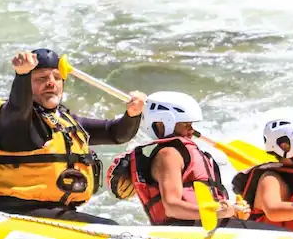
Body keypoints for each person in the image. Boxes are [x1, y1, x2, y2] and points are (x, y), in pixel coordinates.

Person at [0, 48, 146, 224]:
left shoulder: (63, 121)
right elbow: (18, 109)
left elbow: (115, 134)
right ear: (27, 86)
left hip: (55, 213)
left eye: (57, 78)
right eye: (41, 78)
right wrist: (21, 75)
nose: (51, 83)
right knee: (109, 228)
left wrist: (132, 114)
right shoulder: (12, 120)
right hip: (16, 212)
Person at [107, 91, 251, 227]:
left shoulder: (187, 153)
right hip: (186, 233)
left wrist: (234, 211)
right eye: (187, 125)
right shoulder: (169, 154)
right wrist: (219, 211)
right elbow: (172, 207)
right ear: (163, 122)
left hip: (211, 229)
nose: (192, 131)